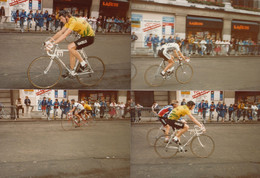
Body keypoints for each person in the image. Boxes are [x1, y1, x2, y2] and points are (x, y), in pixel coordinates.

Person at [45, 10, 95, 78]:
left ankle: (84, 64)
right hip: (84, 36)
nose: (61, 21)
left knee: (70, 47)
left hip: (89, 37)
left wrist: (53, 44)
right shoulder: (68, 21)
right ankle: (72, 71)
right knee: (71, 50)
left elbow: (64, 35)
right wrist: (49, 41)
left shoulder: (73, 21)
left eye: (61, 18)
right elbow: (61, 32)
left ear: (66, 17)